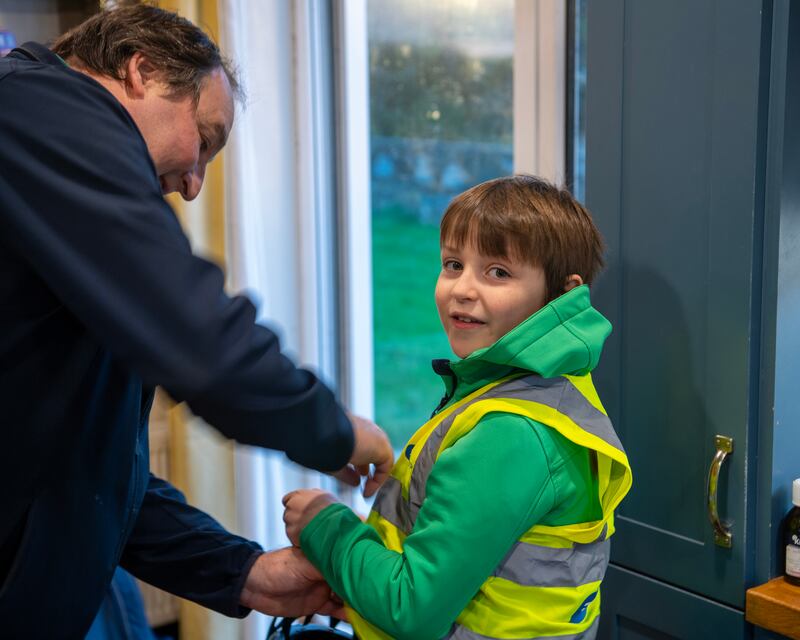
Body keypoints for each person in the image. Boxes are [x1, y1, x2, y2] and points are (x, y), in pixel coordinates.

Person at [0, 5, 393, 637]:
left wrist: (244, 572)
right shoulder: (40, 111)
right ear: (141, 70)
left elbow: (89, 471)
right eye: (203, 141)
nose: (191, 184)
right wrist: (337, 433)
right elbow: (201, 344)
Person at [283, 175, 634, 640]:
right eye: (453, 264)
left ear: (562, 294)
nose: (462, 289)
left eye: (498, 272)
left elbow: (412, 610)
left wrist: (324, 524)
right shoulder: (542, 385)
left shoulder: (511, 432)